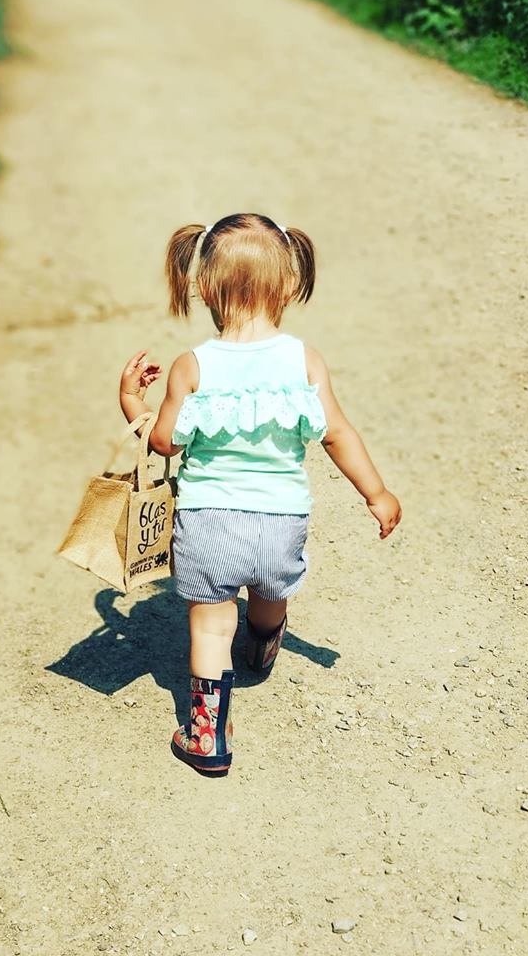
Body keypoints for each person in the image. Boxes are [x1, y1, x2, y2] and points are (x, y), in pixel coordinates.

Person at [118, 213, 401, 776]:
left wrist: (131, 401)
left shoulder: (192, 366)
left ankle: (207, 737)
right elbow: (337, 432)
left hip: (208, 519)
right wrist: (377, 492)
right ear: (291, 282)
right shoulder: (304, 360)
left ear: (201, 286)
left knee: (211, 622)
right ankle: (265, 643)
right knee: (271, 589)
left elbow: (165, 442)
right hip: (282, 518)